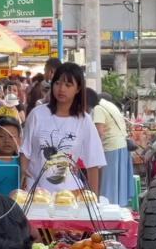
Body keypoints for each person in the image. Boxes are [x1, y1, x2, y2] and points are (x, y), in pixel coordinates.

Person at [20, 63, 105, 193]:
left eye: (68, 85)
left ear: (78, 88)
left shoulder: (84, 120)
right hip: (36, 194)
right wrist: (23, 183)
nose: (61, 89)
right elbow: (25, 152)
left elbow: (93, 162)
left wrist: (94, 199)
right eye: (57, 83)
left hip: (69, 194)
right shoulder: (37, 114)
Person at [87, 89, 136, 207]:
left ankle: (107, 209)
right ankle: (117, 207)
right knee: (118, 183)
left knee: (108, 183)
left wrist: (93, 150)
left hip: (111, 147)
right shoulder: (110, 105)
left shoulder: (98, 108)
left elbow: (100, 132)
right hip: (121, 145)